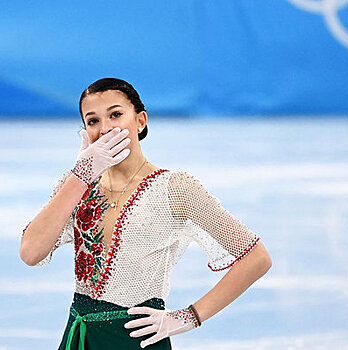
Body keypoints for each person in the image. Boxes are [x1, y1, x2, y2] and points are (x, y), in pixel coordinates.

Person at [19, 78, 272, 350]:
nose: (104, 129)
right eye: (92, 121)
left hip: (137, 340)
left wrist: (189, 317)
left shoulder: (175, 189)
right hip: (80, 338)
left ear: (140, 121)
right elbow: (31, 253)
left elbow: (257, 257)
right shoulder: (77, 186)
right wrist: (81, 175)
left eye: (115, 115)